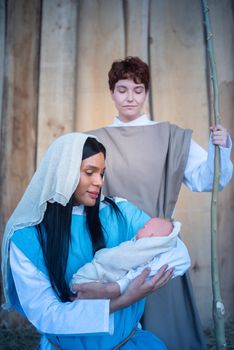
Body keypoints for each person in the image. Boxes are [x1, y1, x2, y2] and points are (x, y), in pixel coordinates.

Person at [88, 56, 233, 350]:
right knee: (118, 329)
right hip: (113, 248)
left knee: (167, 331)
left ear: (146, 93)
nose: (130, 97)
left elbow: (208, 180)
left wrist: (222, 149)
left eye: (138, 89)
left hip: (160, 248)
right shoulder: (94, 139)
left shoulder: (170, 136)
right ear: (112, 92)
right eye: (122, 89)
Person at [1, 132, 174, 350]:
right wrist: (122, 299)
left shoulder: (121, 212)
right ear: (62, 172)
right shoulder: (27, 237)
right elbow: (47, 315)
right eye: (89, 172)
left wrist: (118, 286)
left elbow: (175, 251)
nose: (99, 181)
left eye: (102, 173)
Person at [71, 218, 191, 294]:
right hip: (105, 269)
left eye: (144, 227)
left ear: (152, 236)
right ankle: (81, 284)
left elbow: (124, 258)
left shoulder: (146, 249)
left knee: (94, 273)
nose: (139, 228)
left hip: (109, 275)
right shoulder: (139, 245)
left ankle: (80, 284)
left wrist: (119, 286)